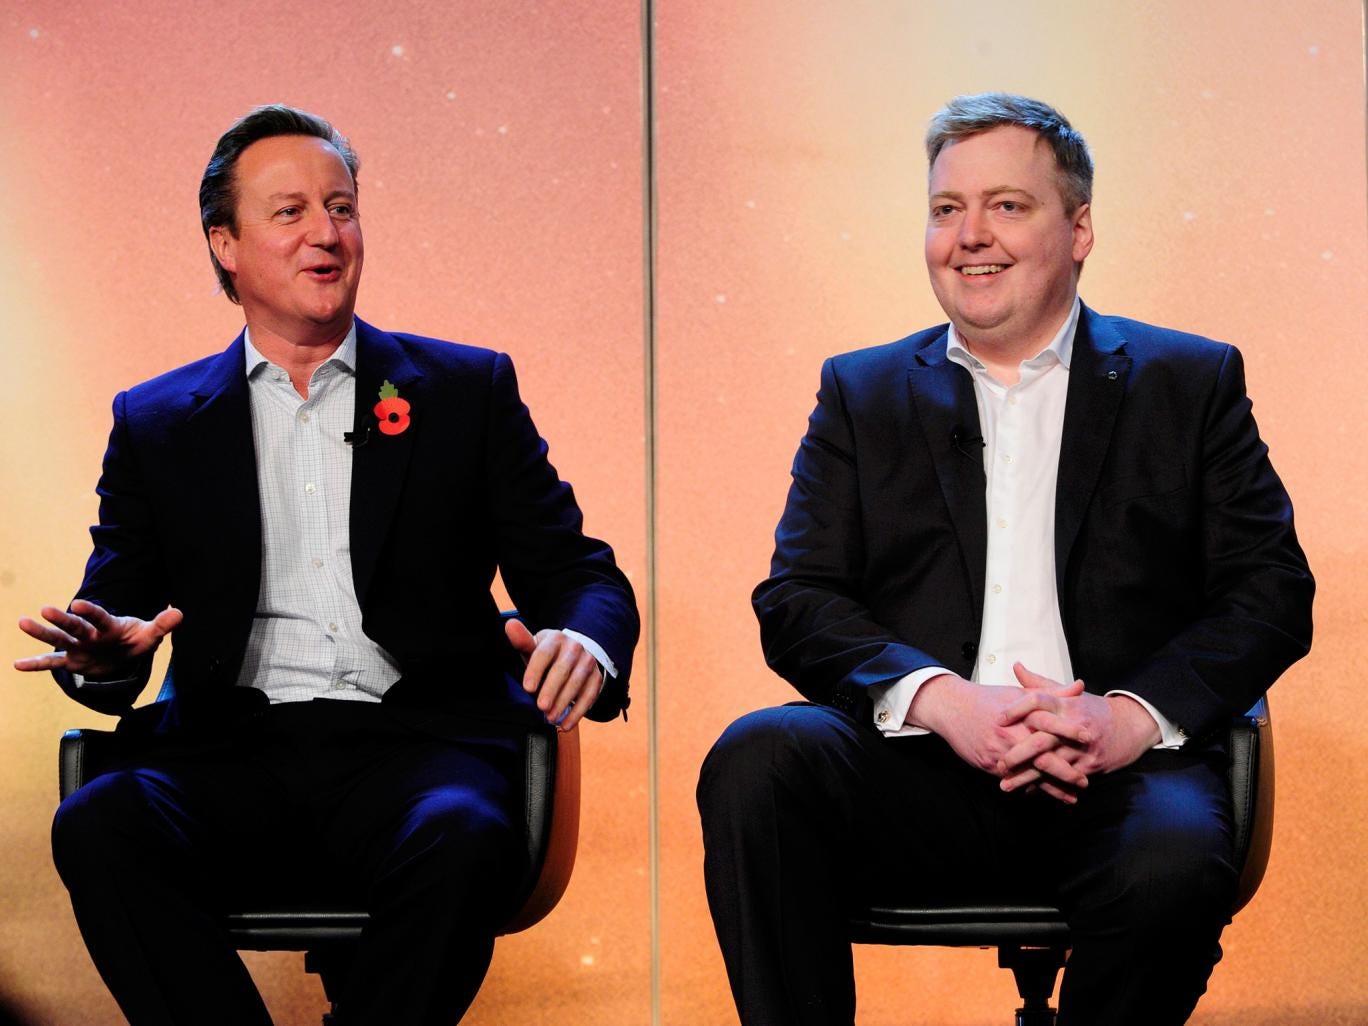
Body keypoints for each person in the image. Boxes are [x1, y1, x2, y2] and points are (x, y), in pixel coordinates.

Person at [14, 104, 638, 1026]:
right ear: (225, 245)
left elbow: (580, 574)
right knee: (101, 825)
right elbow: (112, 611)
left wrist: (585, 639)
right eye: (291, 211)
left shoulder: (463, 392)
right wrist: (106, 657)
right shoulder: (157, 422)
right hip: (228, 750)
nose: (327, 232)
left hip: (418, 750)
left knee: (463, 834)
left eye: (341, 207)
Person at [697, 92, 1312, 1026]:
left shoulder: (1189, 382)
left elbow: (1270, 592)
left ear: (1080, 229)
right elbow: (798, 599)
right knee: (759, 759)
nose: (969, 236)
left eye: (1007, 206)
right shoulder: (862, 392)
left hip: (1120, 775)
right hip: (918, 767)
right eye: (947, 209)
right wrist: (946, 702)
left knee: (1173, 862)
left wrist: (1126, 718)